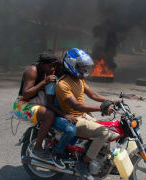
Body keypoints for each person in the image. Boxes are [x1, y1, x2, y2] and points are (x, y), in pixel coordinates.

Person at [55, 48, 116, 180]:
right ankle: (83, 163)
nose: (84, 69)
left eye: (85, 66)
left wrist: (112, 101)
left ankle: (98, 158)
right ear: (71, 65)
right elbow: (77, 105)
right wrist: (101, 109)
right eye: (81, 66)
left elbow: (93, 94)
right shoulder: (63, 84)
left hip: (82, 115)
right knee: (103, 133)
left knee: (110, 130)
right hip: (73, 118)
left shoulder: (79, 79)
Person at [13, 50, 57, 161]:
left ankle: (50, 145)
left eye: (54, 66)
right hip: (21, 106)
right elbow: (26, 93)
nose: (52, 69)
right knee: (49, 115)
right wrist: (44, 82)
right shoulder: (32, 71)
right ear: (42, 64)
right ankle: (37, 148)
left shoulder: (46, 70)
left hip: (35, 100)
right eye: (50, 66)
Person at [44, 61, 78, 169]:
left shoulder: (66, 81)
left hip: (63, 113)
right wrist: (65, 115)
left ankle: (75, 154)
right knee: (71, 130)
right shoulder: (53, 81)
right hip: (54, 115)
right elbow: (49, 104)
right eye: (62, 69)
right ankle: (57, 155)